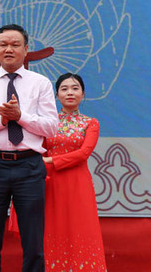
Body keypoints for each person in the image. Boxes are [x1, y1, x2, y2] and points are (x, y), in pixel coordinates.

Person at [0, 23, 59, 272]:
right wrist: (0, 121)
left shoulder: (40, 83)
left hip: (30, 166)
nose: (8, 49)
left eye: (15, 44)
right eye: (3, 44)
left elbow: (52, 127)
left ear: (26, 49)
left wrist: (20, 117)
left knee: (33, 241)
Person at [43, 72, 107, 271]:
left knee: (81, 228)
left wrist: (51, 160)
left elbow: (83, 153)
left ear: (83, 94)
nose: (70, 92)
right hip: (50, 182)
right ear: (56, 95)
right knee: (52, 228)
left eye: (75, 88)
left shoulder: (90, 123)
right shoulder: (48, 122)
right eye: (64, 89)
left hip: (78, 183)